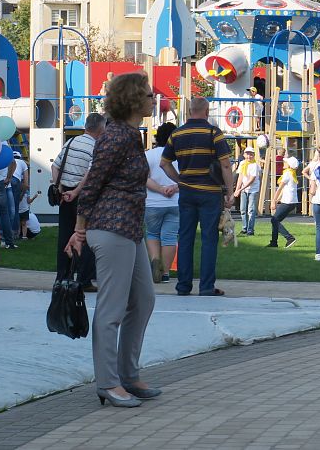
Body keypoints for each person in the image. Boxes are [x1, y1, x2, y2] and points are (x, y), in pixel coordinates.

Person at [66, 71, 158, 408]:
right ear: (133, 100)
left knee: (144, 300)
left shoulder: (131, 135)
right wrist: (79, 229)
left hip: (130, 229)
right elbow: (91, 186)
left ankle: (128, 374)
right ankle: (108, 382)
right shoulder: (116, 137)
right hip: (110, 227)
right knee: (112, 308)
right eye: (148, 95)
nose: (153, 99)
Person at [161, 97, 234, 297]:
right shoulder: (214, 133)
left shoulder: (177, 133)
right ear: (206, 111)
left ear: (190, 111)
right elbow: (225, 165)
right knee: (209, 239)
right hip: (210, 193)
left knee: (185, 238)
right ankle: (207, 287)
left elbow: (164, 163)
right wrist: (230, 191)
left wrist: (179, 180)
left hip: (186, 192)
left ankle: (183, 286)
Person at [52, 113, 106, 291]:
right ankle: (84, 279)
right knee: (85, 236)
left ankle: (62, 276)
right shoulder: (96, 146)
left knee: (64, 236)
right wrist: (76, 192)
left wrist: (59, 187)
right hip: (82, 197)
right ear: (101, 128)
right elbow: (91, 174)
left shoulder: (71, 142)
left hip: (64, 196)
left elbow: (55, 165)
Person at [144, 122, 179, 284]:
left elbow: (144, 178)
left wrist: (159, 189)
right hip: (175, 202)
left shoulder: (149, 155)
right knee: (170, 237)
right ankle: (165, 272)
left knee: (152, 234)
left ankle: (154, 263)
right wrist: (173, 187)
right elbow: (187, 178)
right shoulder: (180, 155)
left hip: (152, 202)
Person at [268, 156, 299, 248]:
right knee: (275, 221)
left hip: (288, 202)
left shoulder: (287, 174)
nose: (284, 163)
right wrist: (278, 200)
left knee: (274, 220)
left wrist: (273, 201)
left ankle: (289, 238)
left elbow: (280, 188)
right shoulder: (292, 173)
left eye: (286, 162)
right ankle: (274, 242)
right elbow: (285, 189)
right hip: (292, 201)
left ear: (289, 165)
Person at [233, 146, 260, 236]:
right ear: (244, 155)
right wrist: (237, 189)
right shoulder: (242, 164)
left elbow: (252, 180)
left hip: (253, 189)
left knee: (251, 210)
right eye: (247, 154)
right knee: (242, 209)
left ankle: (250, 230)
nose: (249, 156)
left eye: (251, 154)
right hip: (244, 189)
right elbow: (240, 177)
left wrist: (240, 189)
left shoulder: (255, 165)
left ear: (254, 155)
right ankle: (244, 228)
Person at [10, 151, 28, 233]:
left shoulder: (9, 161)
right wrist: (22, 195)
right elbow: (26, 184)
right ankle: (15, 232)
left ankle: (4, 232)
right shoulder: (22, 163)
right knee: (15, 208)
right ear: (19, 157)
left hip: (7, 180)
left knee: (5, 209)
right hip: (16, 181)